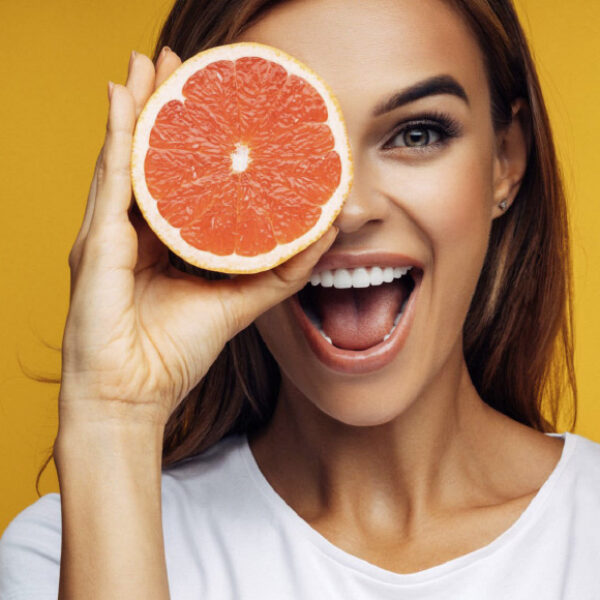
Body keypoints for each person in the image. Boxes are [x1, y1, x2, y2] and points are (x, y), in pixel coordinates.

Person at [1, 0, 599, 597]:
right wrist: (113, 418)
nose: (352, 209)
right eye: (281, 146)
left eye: (417, 134)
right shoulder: (67, 551)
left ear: (505, 159)